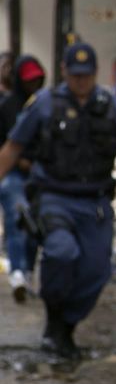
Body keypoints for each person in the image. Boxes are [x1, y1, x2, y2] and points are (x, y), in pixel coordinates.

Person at [0, 43, 116, 359]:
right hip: (54, 197)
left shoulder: (111, 105)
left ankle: (65, 326)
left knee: (97, 269)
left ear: (95, 73)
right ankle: (54, 318)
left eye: (86, 76)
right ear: (64, 72)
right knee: (61, 252)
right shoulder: (45, 104)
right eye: (75, 76)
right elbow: (12, 147)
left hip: (96, 203)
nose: (81, 82)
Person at [0, 55, 46, 301]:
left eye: (36, 81)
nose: (33, 86)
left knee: (36, 224)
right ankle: (17, 271)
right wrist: (18, 161)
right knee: (18, 218)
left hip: (39, 175)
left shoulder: (44, 105)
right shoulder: (7, 106)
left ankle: (27, 270)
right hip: (13, 174)